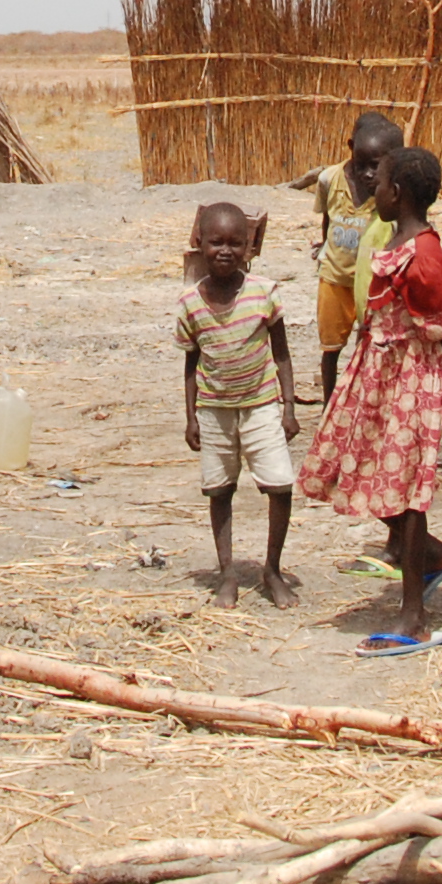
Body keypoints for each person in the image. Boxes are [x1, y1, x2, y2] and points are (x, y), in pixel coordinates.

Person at [295, 146, 442, 654]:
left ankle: (413, 615)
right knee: (356, 469)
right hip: (379, 376)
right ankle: (433, 555)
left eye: (383, 182)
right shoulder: (394, 240)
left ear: (400, 193)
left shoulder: (425, 255)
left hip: (412, 384)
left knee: (409, 492)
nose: (374, 189)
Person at [177, 201, 299, 607]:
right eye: (215, 242)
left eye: (235, 243)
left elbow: (281, 353)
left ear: (250, 247)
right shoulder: (191, 303)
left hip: (262, 404)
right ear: (199, 243)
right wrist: (191, 416)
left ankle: (272, 569)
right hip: (214, 411)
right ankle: (227, 573)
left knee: (280, 485)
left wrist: (288, 408)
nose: (225, 251)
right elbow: (191, 362)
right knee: (219, 490)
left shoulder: (264, 293)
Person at [284, 114, 399, 406]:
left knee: (371, 344)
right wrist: (325, 248)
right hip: (334, 278)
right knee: (331, 348)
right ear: (351, 147)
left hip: (371, 283)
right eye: (363, 164)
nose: (369, 174)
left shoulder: (389, 190)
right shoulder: (329, 179)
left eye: (377, 165)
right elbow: (329, 217)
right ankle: (329, 405)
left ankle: (366, 402)